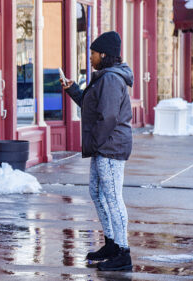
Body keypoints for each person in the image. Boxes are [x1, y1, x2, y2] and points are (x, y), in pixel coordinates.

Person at [60, 31, 134, 271]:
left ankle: (123, 253)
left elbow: (108, 117)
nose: (89, 57)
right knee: (96, 193)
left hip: (110, 148)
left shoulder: (111, 79)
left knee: (113, 198)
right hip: (103, 147)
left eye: (92, 53)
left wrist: (95, 143)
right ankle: (112, 243)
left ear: (103, 54)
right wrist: (72, 90)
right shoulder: (104, 77)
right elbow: (93, 108)